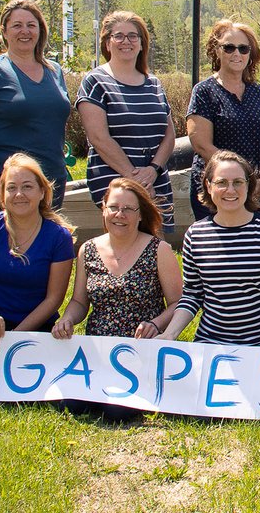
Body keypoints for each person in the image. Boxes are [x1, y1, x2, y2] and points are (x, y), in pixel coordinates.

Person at [51, 178, 182, 419]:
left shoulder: (158, 250)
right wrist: (67, 319)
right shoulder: (88, 249)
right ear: (103, 209)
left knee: (116, 412)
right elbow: (79, 302)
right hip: (97, 352)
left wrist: (155, 324)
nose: (120, 214)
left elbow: (178, 302)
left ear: (140, 215)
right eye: (114, 207)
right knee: (70, 405)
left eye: (128, 209)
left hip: (140, 351)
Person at [0, 154, 75, 401]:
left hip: (34, 327)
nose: (19, 194)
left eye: (27, 187)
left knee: (40, 396)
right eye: (11, 188)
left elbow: (53, 299)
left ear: (42, 192)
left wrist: (16, 340)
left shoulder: (58, 237)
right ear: (1, 194)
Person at [159, 151, 260, 346]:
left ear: (248, 185)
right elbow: (193, 295)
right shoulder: (195, 234)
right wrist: (169, 335)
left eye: (238, 182)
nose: (230, 190)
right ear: (208, 186)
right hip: (212, 343)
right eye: (221, 183)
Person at [0, 0, 71, 210]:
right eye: (17, 25)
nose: (25, 31)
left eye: (31, 25)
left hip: (51, 180)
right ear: (4, 31)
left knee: (47, 233)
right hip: (11, 184)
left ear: (40, 30)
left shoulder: (54, 70)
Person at [77, 11, 176, 231]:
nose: (126, 42)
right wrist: (135, 180)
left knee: (155, 244)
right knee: (124, 242)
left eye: (133, 36)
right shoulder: (95, 82)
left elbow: (169, 135)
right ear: (107, 43)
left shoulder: (154, 84)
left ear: (141, 44)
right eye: (118, 36)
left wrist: (153, 170)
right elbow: (98, 137)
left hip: (155, 179)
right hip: (115, 182)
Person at [186, 20, 260, 222]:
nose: (237, 54)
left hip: (253, 189)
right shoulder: (204, 91)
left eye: (243, 49)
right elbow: (201, 144)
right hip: (217, 189)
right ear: (216, 51)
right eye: (229, 47)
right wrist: (238, 177)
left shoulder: (257, 92)